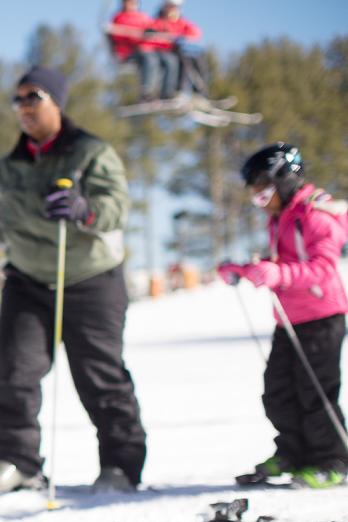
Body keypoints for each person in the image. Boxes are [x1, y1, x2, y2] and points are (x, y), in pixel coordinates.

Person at [0, 66, 148, 494]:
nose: (23, 107)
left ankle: (120, 465)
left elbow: (116, 209)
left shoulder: (91, 153)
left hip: (89, 277)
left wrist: (82, 209)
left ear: (57, 101)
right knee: (14, 373)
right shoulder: (7, 170)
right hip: (29, 280)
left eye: (32, 96)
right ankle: (17, 463)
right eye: (17, 100)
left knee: (100, 377)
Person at [219, 143, 348, 489]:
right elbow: (278, 266)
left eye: (264, 193)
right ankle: (293, 452)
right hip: (289, 319)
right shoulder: (281, 219)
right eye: (255, 196)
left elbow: (322, 267)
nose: (261, 202)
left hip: (323, 317)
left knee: (315, 391)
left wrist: (279, 276)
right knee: (278, 391)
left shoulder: (316, 215)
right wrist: (244, 270)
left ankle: (332, 460)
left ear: (285, 180)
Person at [108, 0, 179, 101]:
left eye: (134, 2)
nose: (132, 4)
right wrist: (142, 38)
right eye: (129, 2)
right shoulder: (120, 17)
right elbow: (121, 35)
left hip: (148, 49)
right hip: (130, 52)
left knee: (170, 59)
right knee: (150, 58)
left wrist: (164, 36)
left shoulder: (143, 17)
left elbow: (154, 29)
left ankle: (167, 93)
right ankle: (146, 92)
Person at [151, 0, 207, 96]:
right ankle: (178, 90)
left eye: (175, 7)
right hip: (165, 51)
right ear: (165, 7)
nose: (173, 10)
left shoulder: (182, 22)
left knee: (196, 59)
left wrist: (183, 38)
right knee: (180, 60)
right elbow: (152, 37)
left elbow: (195, 32)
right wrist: (167, 39)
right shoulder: (158, 22)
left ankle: (199, 93)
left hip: (182, 51)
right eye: (170, 7)